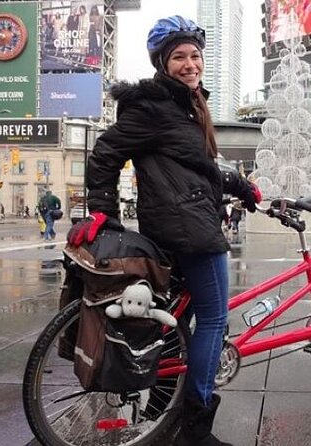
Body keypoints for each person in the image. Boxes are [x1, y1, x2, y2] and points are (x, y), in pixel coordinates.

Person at [66, 15, 262, 446]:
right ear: (162, 62)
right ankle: (197, 428)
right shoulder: (155, 106)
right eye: (179, 57)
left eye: (195, 55)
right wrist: (102, 211)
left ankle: (160, 410)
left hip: (177, 222)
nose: (190, 64)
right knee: (213, 319)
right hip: (190, 229)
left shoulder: (183, 106)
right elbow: (105, 153)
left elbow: (200, 169)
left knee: (179, 322)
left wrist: (244, 187)